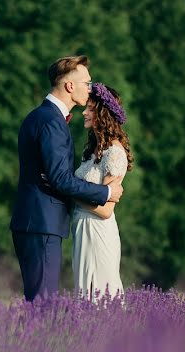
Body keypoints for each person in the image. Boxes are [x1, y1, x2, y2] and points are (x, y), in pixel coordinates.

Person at [10, 56, 124, 301]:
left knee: (39, 303)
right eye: (87, 82)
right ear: (70, 86)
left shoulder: (39, 116)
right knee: (43, 306)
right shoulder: (51, 121)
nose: (90, 88)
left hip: (36, 221)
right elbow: (60, 178)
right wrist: (105, 193)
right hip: (42, 223)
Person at [71, 83, 133, 299]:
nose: (84, 112)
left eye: (90, 108)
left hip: (97, 231)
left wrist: (70, 193)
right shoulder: (93, 150)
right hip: (82, 230)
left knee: (98, 296)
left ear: (102, 113)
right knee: (84, 296)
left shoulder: (114, 153)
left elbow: (106, 210)